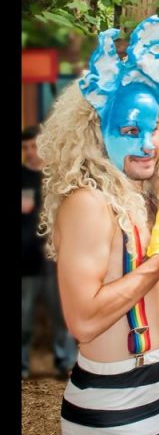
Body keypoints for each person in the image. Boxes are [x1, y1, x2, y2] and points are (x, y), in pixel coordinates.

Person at [37, 16, 159, 435]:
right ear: (96, 133)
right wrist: (157, 261)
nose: (149, 143)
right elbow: (86, 321)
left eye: (154, 129)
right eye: (131, 131)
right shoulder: (88, 203)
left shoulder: (145, 200)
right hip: (112, 406)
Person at [22, 124, 78, 380]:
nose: (30, 152)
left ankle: (65, 360)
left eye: (34, 145)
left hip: (54, 257)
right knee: (24, 313)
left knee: (61, 312)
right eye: (25, 148)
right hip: (26, 259)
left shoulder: (56, 177)